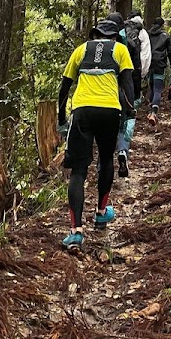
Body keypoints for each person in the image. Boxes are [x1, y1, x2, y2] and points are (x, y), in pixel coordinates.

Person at [58, 18, 134, 251]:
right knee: (106, 159)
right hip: (110, 110)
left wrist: (61, 118)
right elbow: (128, 83)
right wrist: (130, 111)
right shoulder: (120, 50)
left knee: (78, 169)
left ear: (95, 34)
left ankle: (75, 232)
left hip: (82, 111)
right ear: (114, 36)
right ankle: (101, 213)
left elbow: (64, 86)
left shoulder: (80, 50)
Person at [114, 10, 152, 178]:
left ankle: (105, 163)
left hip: (104, 92)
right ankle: (123, 150)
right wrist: (136, 92)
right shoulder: (135, 37)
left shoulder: (98, 45)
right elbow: (139, 62)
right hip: (126, 87)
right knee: (124, 123)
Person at [146, 17, 171, 124]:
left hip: (149, 63)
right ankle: (154, 113)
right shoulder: (166, 36)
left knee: (151, 85)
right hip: (160, 63)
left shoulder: (147, 34)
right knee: (158, 88)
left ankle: (150, 107)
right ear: (162, 25)